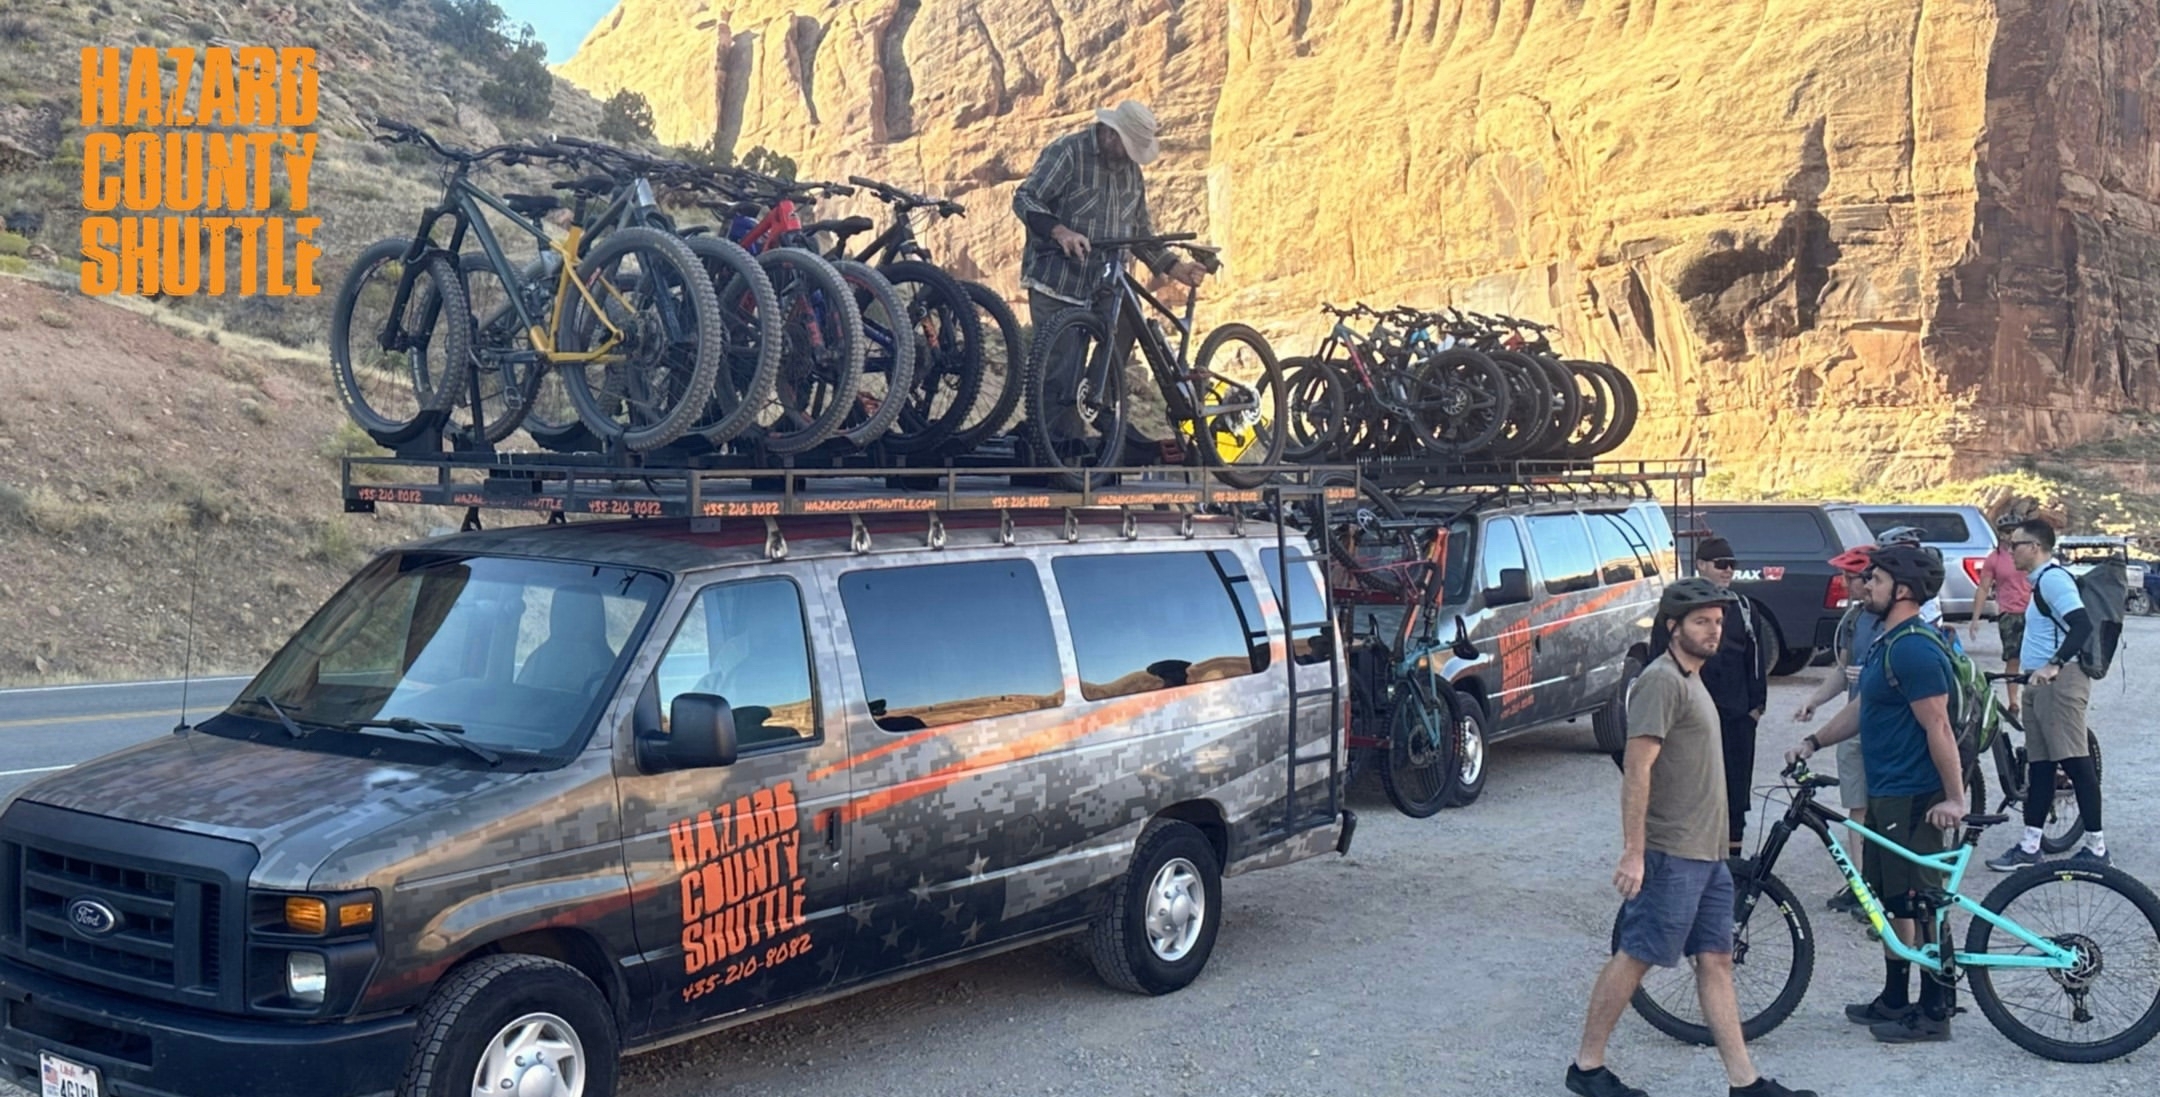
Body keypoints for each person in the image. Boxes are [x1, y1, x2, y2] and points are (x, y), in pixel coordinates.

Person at [1568, 579, 1816, 1097]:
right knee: (1636, 955)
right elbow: (1638, 768)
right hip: (1671, 851)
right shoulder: (1662, 681)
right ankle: (1587, 1069)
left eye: (1718, 622)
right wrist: (1635, 851)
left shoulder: (1693, 677)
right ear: (1673, 626)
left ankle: (1743, 1083)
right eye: (1701, 621)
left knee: (1717, 960)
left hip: (1708, 855)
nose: (1713, 630)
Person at [1786, 544, 1970, 1043]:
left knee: (1924, 901)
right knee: (1895, 903)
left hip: (1917, 795)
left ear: (1903, 591)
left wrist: (1954, 799)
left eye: (1878, 579)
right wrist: (1814, 740)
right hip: (1890, 790)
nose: (1867, 585)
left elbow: (1939, 727)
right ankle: (1895, 998)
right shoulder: (1889, 641)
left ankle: (1934, 1012)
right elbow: (1865, 707)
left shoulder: (1914, 647)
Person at [1011, 101, 1207, 444]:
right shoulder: (1068, 152)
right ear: (1110, 133)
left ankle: (1101, 415)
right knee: (1060, 371)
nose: (1131, 156)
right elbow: (1026, 199)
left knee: (1127, 331)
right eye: (1128, 147)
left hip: (1106, 286)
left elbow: (1141, 234)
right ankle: (1057, 449)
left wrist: (1177, 268)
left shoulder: (1131, 171)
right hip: (1058, 283)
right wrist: (1061, 232)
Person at [1986, 519, 2107, 869]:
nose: (2011, 551)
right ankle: (2030, 845)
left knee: (2075, 762)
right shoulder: (2040, 582)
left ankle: (2098, 848)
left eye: (2016, 545)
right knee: (2040, 768)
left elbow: (2081, 624)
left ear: (2036, 547)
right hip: (2037, 684)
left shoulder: (2053, 580)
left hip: (2060, 683)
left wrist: (2054, 664)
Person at [1651, 537, 1767, 856]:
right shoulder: (1677, 608)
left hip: (1736, 719)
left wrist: (1757, 708)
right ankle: (1689, 854)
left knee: (1735, 795)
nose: (1728, 570)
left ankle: (1731, 865)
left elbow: (1756, 660)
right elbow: (1656, 660)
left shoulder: (1743, 609)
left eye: (1732, 564)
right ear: (1701, 564)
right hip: (1691, 716)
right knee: (1689, 788)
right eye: (1721, 564)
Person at [1793, 545, 1883, 918]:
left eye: (1851, 576)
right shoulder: (1853, 620)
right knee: (1857, 809)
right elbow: (1842, 669)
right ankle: (1861, 885)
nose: (1845, 583)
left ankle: (1885, 888)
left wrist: (1872, 676)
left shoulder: (1894, 619)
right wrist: (1815, 700)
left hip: (1885, 729)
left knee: (1886, 811)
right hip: (1852, 725)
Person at [1967, 518, 2033, 712]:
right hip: (2009, 613)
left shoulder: (2029, 554)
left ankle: (2036, 697)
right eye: (2005, 531)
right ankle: (2014, 701)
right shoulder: (1994, 558)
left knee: (2036, 656)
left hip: (2033, 610)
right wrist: (1975, 618)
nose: (2009, 535)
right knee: (2013, 659)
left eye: (2013, 531)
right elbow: (1983, 588)